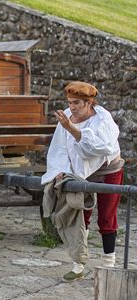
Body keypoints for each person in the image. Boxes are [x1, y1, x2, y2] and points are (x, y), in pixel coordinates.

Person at [41, 81, 124, 282]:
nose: (72, 107)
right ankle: (78, 265)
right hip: (82, 172)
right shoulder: (68, 119)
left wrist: (72, 129)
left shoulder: (103, 120)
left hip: (108, 171)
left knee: (106, 216)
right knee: (80, 213)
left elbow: (99, 148)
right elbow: (59, 148)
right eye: (70, 103)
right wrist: (61, 170)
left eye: (77, 103)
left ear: (89, 103)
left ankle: (108, 265)